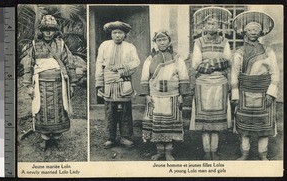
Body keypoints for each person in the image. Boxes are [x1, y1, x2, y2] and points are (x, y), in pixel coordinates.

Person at [21, 15, 77, 151]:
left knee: (60, 108)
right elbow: (28, 65)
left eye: (51, 29)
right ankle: (45, 139)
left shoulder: (61, 44)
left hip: (59, 84)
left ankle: (57, 137)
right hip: (41, 84)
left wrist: (72, 84)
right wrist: (28, 85)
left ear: (55, 31)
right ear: (41, 30)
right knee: (41, 109)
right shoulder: (35, 45)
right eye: (45, 29)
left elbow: (69, 63)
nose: (48, 32)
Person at [231, 11, 279, 161]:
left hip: (264, 93)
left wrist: (271, 93)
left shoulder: (268, 51)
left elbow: (275, 72)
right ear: (245, 31)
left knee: (263, 126)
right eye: (250, 30)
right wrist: (235, 95)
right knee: (244, 126)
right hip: (245, 92)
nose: (253, 33)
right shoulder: (239, 52)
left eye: (256, 30)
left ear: (260, 32)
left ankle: (262, 154)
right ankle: (244, 154)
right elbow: (234, 73)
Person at [190, 7, 232, 160]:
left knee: (216, 121)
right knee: (205, 121)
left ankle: (214, 150)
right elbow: (196, 63)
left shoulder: (224, 41)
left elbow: (228, 60)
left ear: (219, 27)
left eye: (215, 24)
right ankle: (206, 151)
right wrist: (214, 64)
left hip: (220, 82)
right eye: (209, 24)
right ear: (204, 26)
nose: (212, 27)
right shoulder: (199, 42)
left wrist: (212, 62)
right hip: (203, 83)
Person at [140, 30, 190, 160]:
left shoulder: (176, 58)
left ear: (169, 41)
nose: (162, 42)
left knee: (170, 123)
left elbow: (183, 76)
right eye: (159, 40)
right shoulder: (150, 59)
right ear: (155, 42)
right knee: (157, 123)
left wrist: (181, 95)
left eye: (164, 40)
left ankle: (168, 152)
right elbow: (145, 77)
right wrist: (146, 95)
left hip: (172, 96)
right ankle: (160, 152)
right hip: (155, 96)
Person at [95, 21, 140, 149]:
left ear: (125, 34)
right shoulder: (104, 45)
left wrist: (122, 70)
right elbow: (99, 64)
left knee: (125, 110)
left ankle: (125, 137)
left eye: (120, 33)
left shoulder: (130, 47)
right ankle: (110, 138)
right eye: (115, 33)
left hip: (123, 80)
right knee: (110, 110)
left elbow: (136, 62)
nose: (117, 35)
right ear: (111, 34)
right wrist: (99, 82)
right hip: (108, 81)